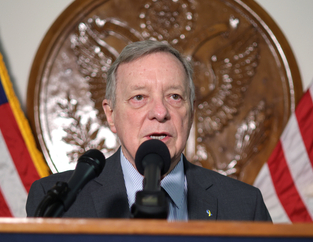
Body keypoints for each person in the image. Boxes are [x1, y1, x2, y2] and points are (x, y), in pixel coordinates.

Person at [26, 40, 271, 222]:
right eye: (139, 97)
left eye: (174, 96)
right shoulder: (57, 203)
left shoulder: (244, 206)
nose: (160, 112)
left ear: (192, 112)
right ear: (111, 115)